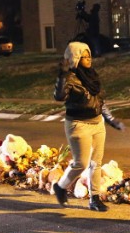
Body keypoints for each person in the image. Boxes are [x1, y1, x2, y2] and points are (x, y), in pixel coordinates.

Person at [52, 41, 125, 212]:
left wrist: (111, 120)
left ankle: (95, 199)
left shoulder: (92, 75)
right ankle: (61, 187)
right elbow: (59, 96)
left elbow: (99, 101)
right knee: (81, 163)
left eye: (89, 55)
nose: (88, 59)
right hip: (78, 125)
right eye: (84, 56)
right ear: (75, 58)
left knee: (96, 163)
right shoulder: (69, 77)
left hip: (97, 123)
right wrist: (61, 75)